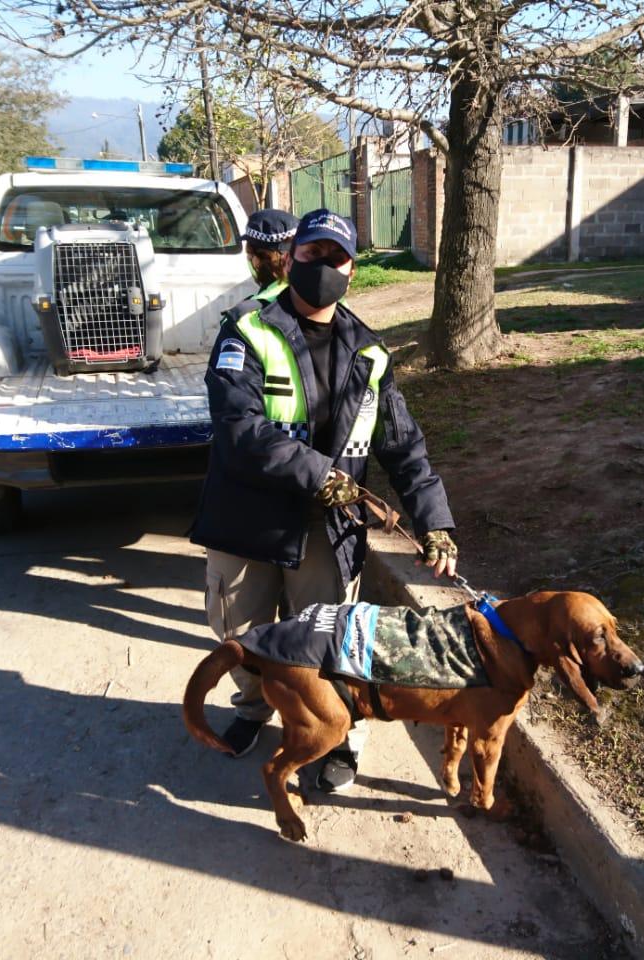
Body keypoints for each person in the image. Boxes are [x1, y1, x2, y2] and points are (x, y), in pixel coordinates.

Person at [191, 208, 459, 793]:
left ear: (352, 271)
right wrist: (320, 474)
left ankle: (340, 734)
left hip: (326, 528)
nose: (323, 267)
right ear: (290, 260)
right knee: (244, 631)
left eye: (336, 258)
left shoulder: (370, 353)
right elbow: (238, 429)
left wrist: (434, 522)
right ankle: (254, 710)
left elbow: (403, 445)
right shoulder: (247, 330)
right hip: (248, 519)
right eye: (312, 254)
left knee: (333, 640)